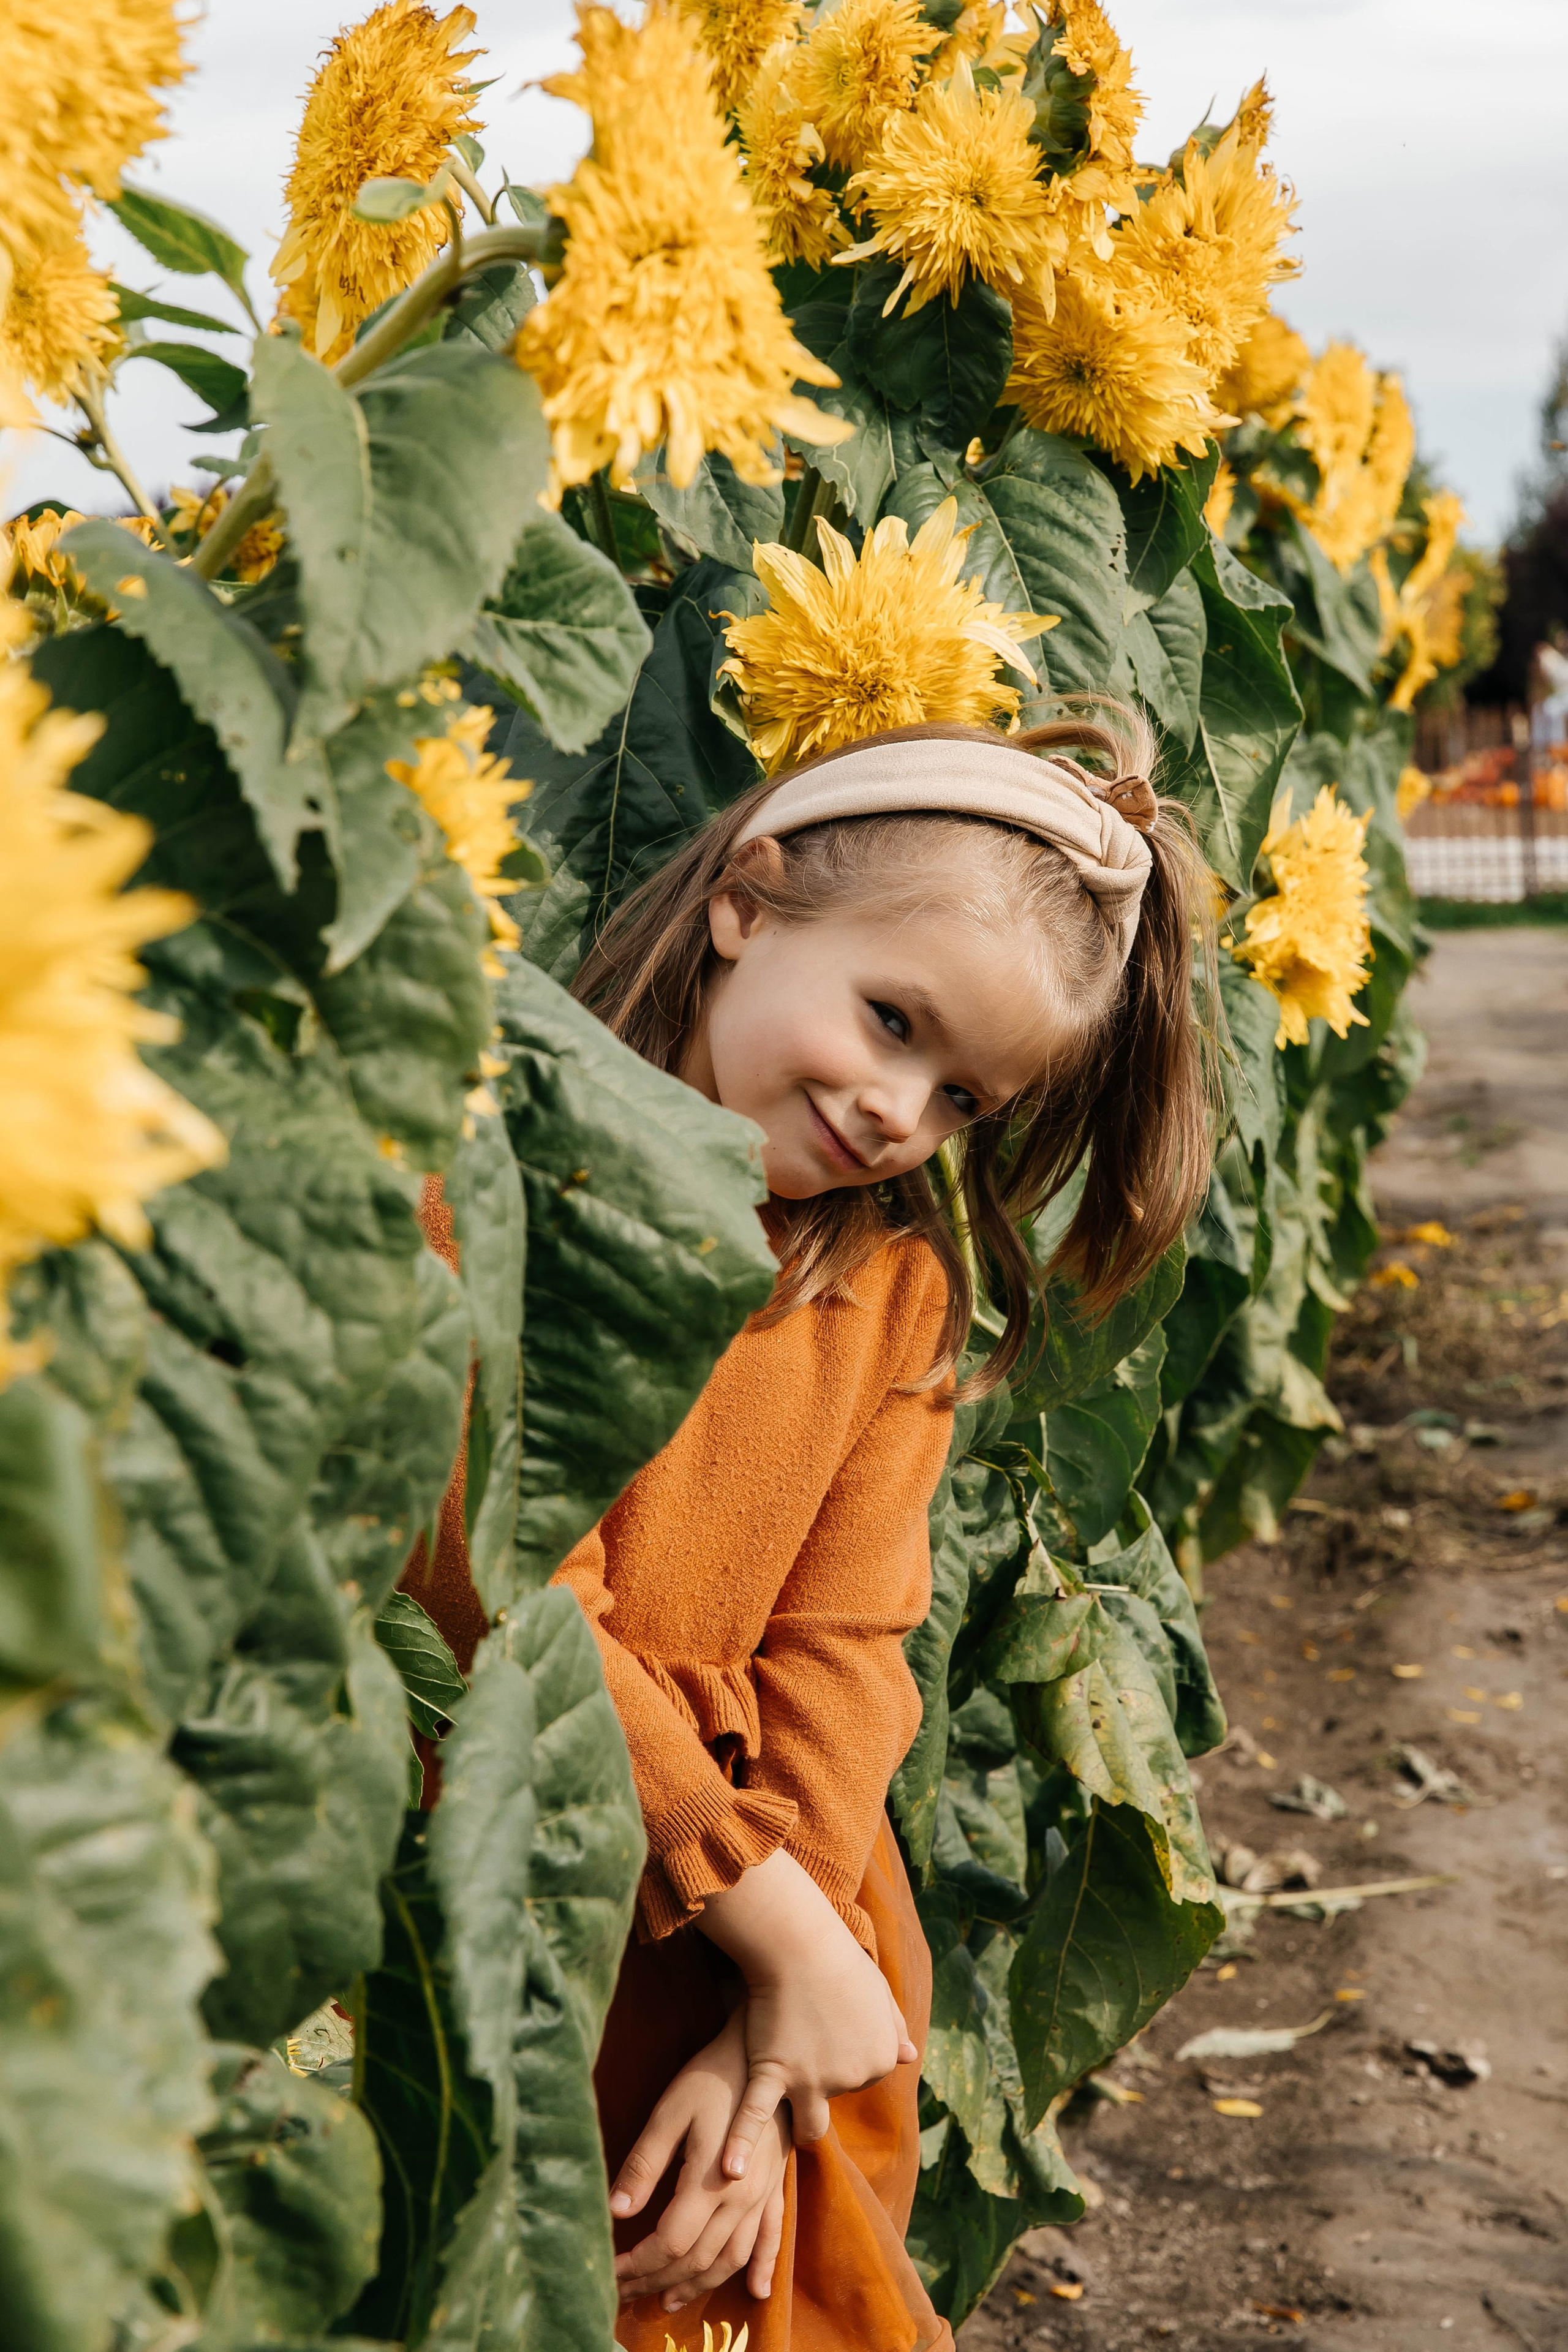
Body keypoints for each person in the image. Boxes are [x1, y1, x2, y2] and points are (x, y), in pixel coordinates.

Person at [412, 709, 1215, 2352]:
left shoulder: (890, 1283)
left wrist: (770, 2024)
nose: (895, 1110)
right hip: (521, 1867)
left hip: (757, 1924)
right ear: (746, 900)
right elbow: (492, 1582)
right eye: (890, 1018)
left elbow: (853, 1647)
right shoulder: (481, 1179)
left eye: (961, 1095)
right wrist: (766, 1921)